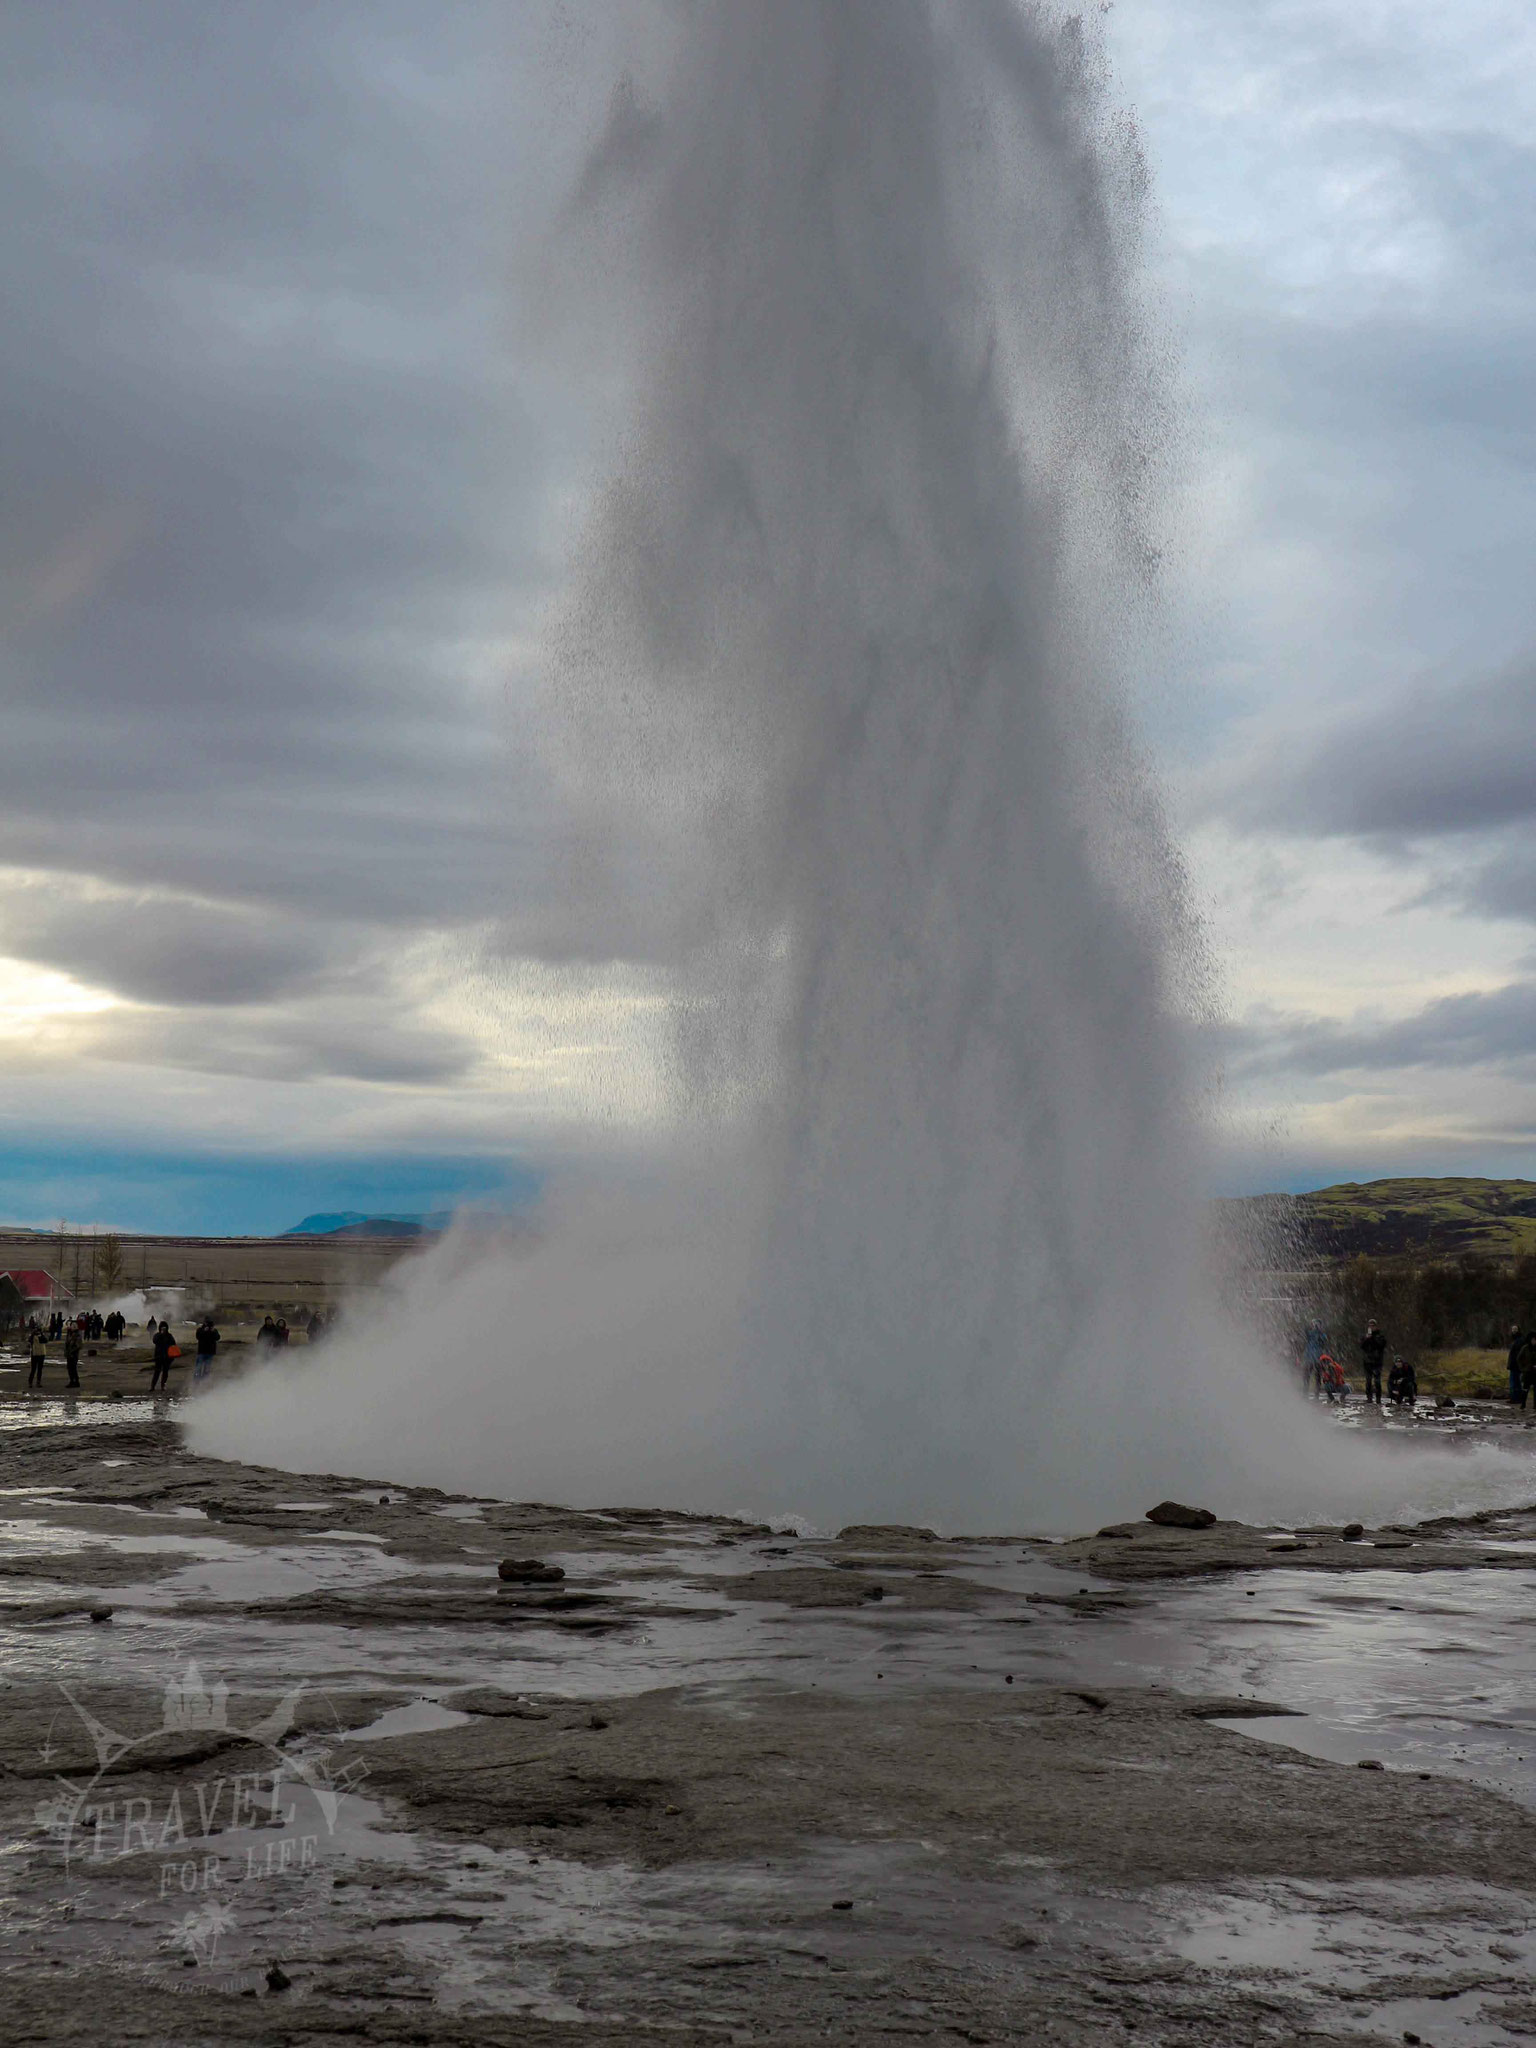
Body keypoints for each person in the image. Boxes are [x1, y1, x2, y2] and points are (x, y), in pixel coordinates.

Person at [1360, 1320, 1387, 1405]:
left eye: (1373, 1326)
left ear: (1376, 1326)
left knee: (1377, 1381)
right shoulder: (1365, 1336)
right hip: (1367, 1362)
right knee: (1368, 1381)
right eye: (1370, 1326)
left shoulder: (1380, 1336)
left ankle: (1378, 1398)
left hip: (1377, 1362)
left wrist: (1373, 1338)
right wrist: (1366, 1339)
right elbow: (1361, 1346)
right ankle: (1369, 1398)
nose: (1371, 1327)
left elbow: (1381, 1346)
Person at [1302, 1321, 1329, 1400]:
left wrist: (1319, 1332)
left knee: (1317, 1377)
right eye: (1314, 1324)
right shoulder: (1310, 1334)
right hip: (1309, 1358)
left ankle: (1316, 1395)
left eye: (1317, 1324)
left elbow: (1324, 1341)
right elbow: (1305, 1332)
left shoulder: (1322, 1334)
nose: (1315, 1326)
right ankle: (1305, 1394)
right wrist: (1308, 1326)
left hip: (1318, 1358)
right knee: (1306, 1376)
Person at [1506, 1326, 1533, 1405]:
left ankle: (1516, 1398)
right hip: (1513, 1365)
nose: (1513, 1331)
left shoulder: (1520, 1340)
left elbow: (1520, 1355)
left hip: (1516, 1365)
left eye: (1515, 1329)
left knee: (1515, 1382)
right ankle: (1515, 1398)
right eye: (1512, 1329)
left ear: (1518, 1330)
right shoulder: (1514, 1340)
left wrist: (1521, 1365)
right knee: (1515, 1382)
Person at [149, 1319, 177, 1393]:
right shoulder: (157, 1335)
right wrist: (161, 1334)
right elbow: (154, 1341)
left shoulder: (169, 1336)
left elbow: (174, 1344)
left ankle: (163, 1386)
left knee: (165, 1372)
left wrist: (172, 1356)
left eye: (165, 1328)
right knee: (157, 1372)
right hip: (159, 1356)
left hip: (167, 1357)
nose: (164, 1329)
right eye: (162, 1328)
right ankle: (152, 1386)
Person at [193, 1315, 221, 1384]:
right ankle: (196, 1381)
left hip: (210, 1352)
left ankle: (204, 1382)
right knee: (198, 1368)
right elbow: (198, 1337)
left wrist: (213, 1331)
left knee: (207, 1369)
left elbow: (218, 1338)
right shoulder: (200, 1329)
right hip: (202, 1351)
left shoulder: (214, 1330)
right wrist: (204, 1331)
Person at [26, 1323, 47, 1389]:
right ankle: (30, 1382)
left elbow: (45, 1341)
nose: (37, 1332)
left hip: (41, 1353)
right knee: (33, 1369)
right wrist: (33, 1335)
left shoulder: (42, 1336)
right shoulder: (32, 1336)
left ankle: (38, 1382)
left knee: (40, 1369)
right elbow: (29, 1341)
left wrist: (40, 1335)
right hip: (35, 1354)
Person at [63, 1319, 81, 1390]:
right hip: (69, 1354)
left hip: (73, 1354)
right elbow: (67, 1344)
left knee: (73, 1368)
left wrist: (72, 1352)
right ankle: (73, 1381)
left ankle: (75, 1381)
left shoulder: (77, 1335)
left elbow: (78, 1345)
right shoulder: (70, 1334)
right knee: (70, 1368)